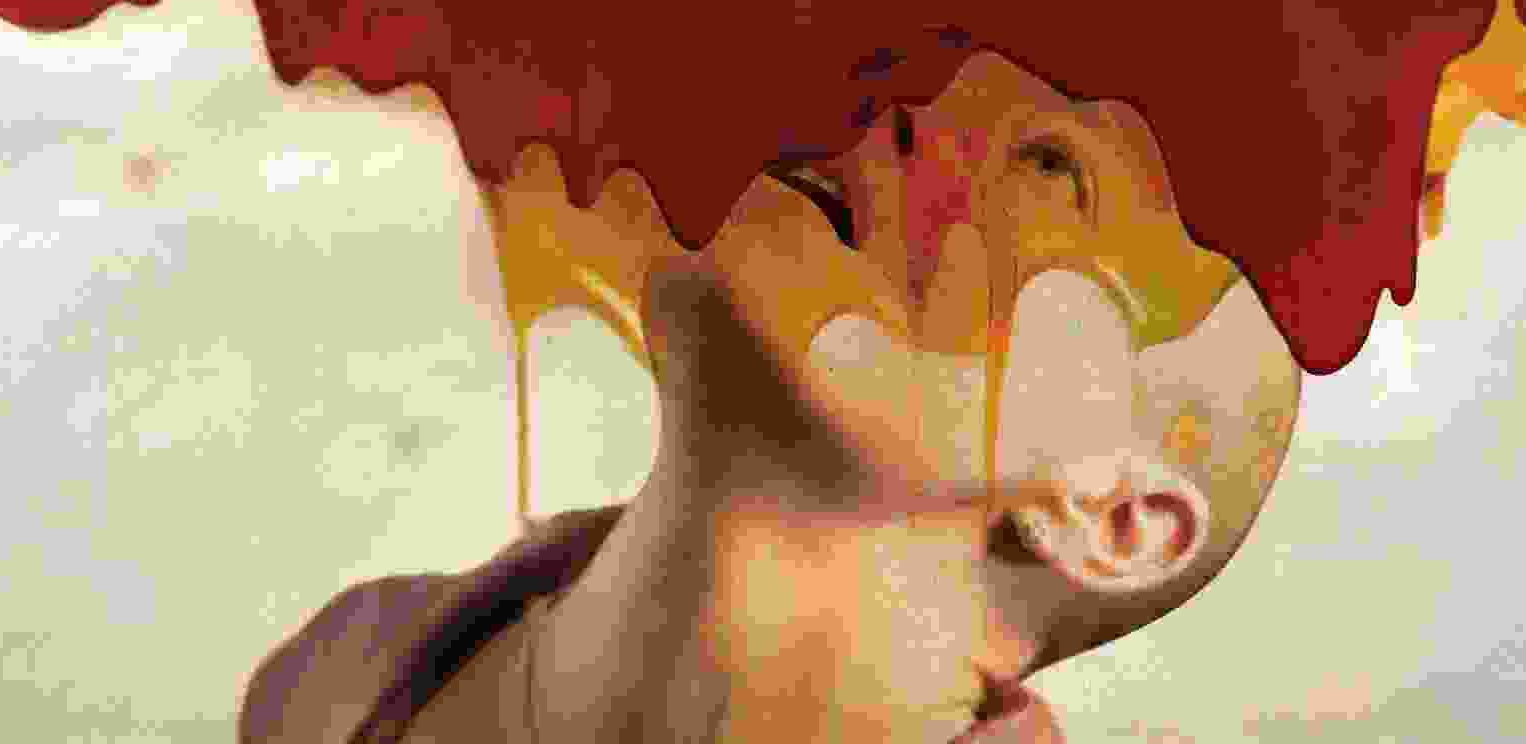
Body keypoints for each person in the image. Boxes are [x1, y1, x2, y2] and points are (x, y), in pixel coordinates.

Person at [241, 51, 1305, 742]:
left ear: (1113, 519)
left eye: (1049, 169)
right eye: (954, 76)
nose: (914, 121)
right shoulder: (336, 681)